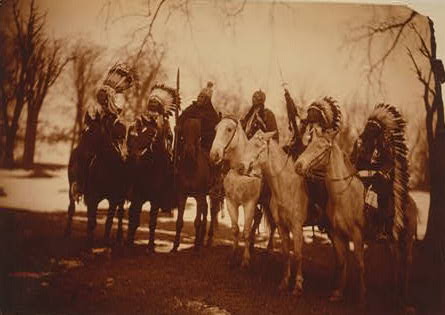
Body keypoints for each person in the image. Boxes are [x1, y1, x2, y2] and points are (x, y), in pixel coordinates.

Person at [70, 63, 135, 198]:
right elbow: (87, 123)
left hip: (111, 140)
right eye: (101, 96)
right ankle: (79, 184)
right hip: (93, 139)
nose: (102, 99)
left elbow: (119, 124)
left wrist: (113, 119)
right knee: (80, 155)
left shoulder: (116, 108)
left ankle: (126, 188)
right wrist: (95, 123)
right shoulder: (93, 110)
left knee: (126, 160)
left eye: (105, 97)